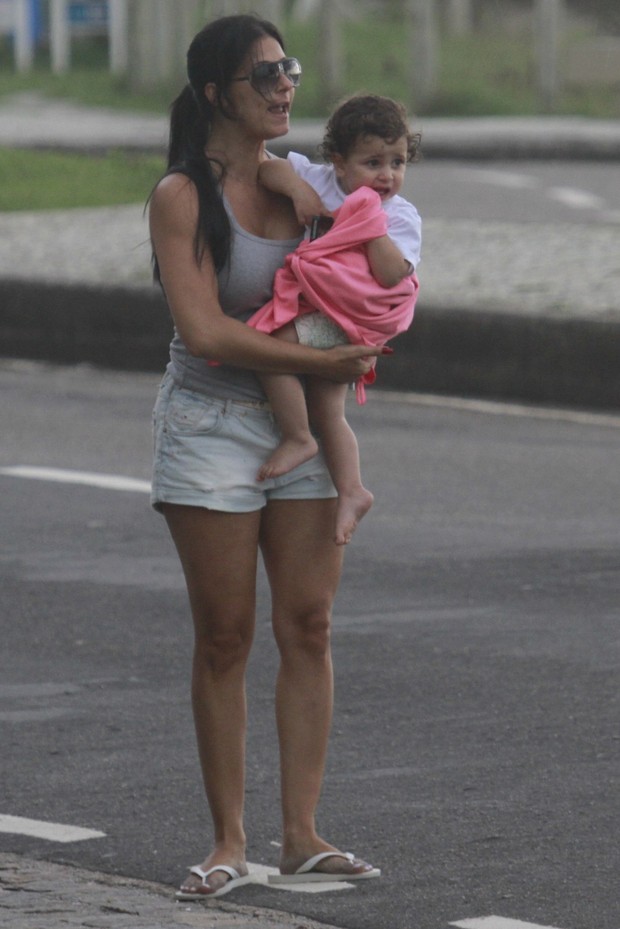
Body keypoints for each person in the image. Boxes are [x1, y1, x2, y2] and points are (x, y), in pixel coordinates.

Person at [148, 14, 384, 900]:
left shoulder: (301, 184)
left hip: (308, 422)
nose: (285, 85)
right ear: (216, 94)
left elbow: (372, 249)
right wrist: (325, 363)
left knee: (309, 625)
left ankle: (302, 834)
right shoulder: (181, 196)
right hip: (211, 421)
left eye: (289, 68)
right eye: (264, 75)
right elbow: (206, 330)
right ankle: (227, 841)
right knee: (225, 635)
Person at [248, 95, 422, 545]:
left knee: (270, 346)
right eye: (372, 163)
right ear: (339, 163)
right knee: (328, 409)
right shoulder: (321, 182)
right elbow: (266, 169)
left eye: (398, 162)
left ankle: (297, 437)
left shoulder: (399, 216)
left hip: (348, 320)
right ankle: (352, 490)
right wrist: (297, 190)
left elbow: (393, 274)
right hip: (319, 307)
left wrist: (369, 223)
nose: (387, 176)